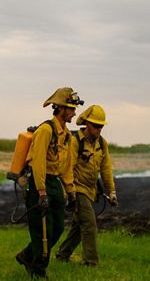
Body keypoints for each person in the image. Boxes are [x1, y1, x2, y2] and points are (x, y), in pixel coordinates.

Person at [15, 87, 84, 279]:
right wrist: (42, 192)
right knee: (42, 231)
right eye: (71, 108)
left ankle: (26, 256)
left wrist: (70, 190)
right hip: (39, 183)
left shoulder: (67, 135)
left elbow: (66, 166)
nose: (74, 112)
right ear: (61, 108)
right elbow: (38, 163)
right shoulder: (45, 130)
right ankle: (38, 270)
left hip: (54, 183)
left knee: (58, 228)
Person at [56, 104, 117, 267]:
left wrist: (111, 191)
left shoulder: (102, 144)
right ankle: (91, 262)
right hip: (77, 189)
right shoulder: (75, 142)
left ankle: (63, 254)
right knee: (89, 223)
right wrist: (70, 191)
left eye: (101, 126)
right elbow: (67, 168)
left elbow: (106, 168)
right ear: (87, 124)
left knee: (79, 224)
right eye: (96, 126)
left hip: (91, 191)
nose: (99, 130)